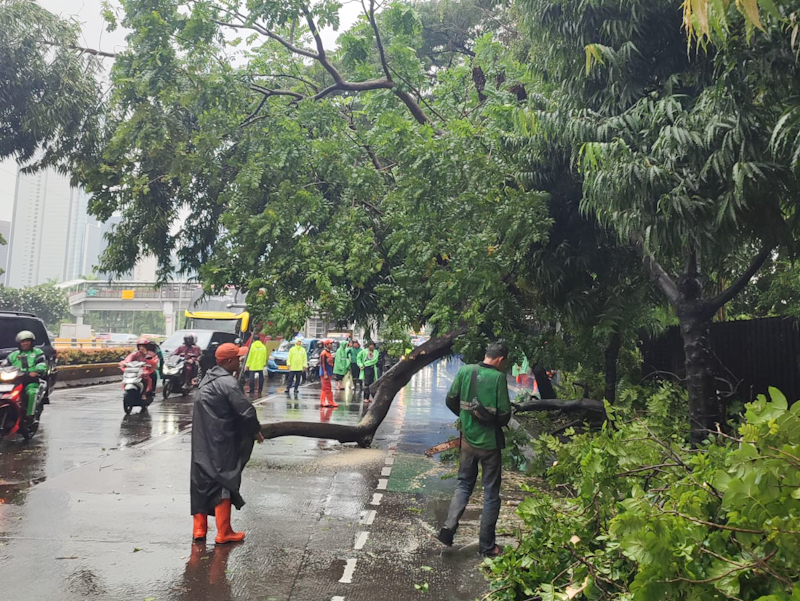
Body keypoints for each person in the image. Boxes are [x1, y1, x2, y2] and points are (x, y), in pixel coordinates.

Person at [438, 341, 512, 558]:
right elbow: (505, 415)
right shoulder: (498, 378)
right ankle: (487, 546)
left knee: (463, 485)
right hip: (490, 446)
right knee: (491, 494)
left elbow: (451, 399)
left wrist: (465, 419)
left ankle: (448, 528)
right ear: (500, 359)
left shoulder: (465, 371)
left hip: (468, 442)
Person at [191, 343, 263, 544]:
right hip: (221, 441)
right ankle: (224, 532)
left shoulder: (206, 380)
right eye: (238, 359)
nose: (240, 363)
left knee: (201, 482)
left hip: (201, 440)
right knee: (223, 481)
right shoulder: (228, 383)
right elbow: (246, 411)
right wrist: (256, 431)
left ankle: (199, 530)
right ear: (229, 361)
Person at [4, 331, 48, 416]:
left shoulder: (37, 353)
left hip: (30, 380)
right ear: (19, 343)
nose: (25, 343)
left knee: (32, 392)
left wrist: (37, 371)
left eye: (27, 341)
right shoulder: (13, 355)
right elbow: (4, 365)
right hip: (14, 381)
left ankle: (30, 415)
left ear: (32, 342)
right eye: (23, 341)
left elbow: (42, 364)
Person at [318, 339, 338, 408]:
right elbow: (322, 364)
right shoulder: (324, 353)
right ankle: (330, 402)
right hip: (325, 373)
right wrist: (325, 373)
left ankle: (324, 401)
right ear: (326, 345)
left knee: (325, 388)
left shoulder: (329, 353)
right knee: (327, 388)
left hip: (328, 372)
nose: (331, 345)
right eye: (330, 344)